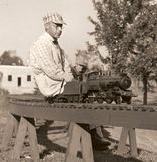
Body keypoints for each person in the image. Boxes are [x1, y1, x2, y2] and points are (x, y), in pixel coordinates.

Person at [29, 12, 110, 150]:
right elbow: (51, 71)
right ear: (47, 26)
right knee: (85, 92)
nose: (60, 29)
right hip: (51, 88)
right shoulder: (41, 44)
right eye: (57, 26)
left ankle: (92, 135)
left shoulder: (57, 46)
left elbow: (65, 66)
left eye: (61, 26)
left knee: (88, 91)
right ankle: (92, 137)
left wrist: (73, 74)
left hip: (61, 85)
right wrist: (71, 81)